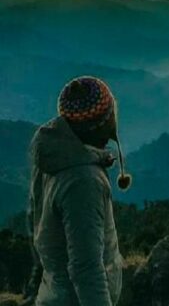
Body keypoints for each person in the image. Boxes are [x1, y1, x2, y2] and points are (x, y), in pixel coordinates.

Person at [28, 76, 130, 306]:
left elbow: (34, 222)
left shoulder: (54, 157)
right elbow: (87, 268)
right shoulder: (83, 182)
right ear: (102, 124)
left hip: (54, 293)